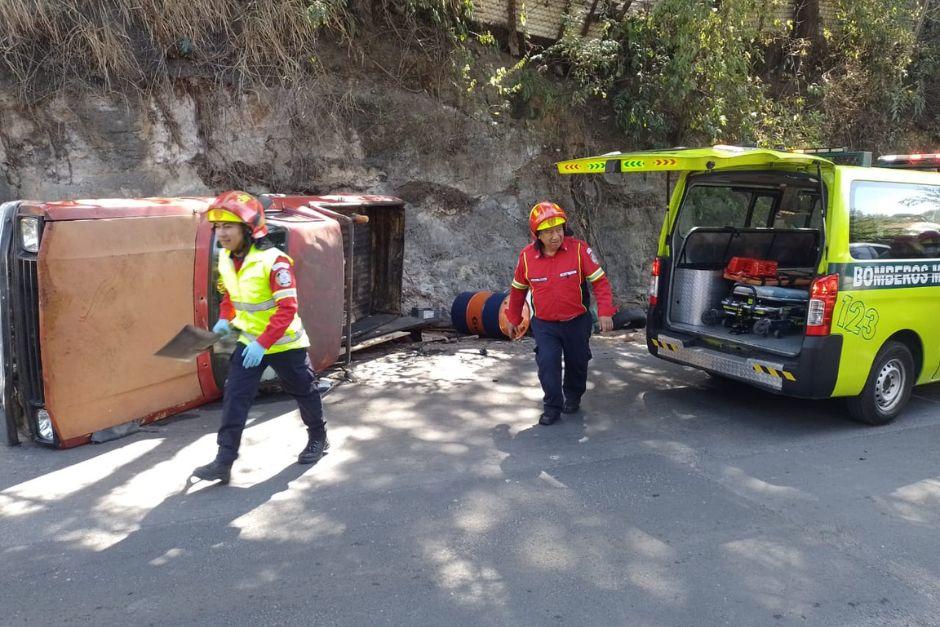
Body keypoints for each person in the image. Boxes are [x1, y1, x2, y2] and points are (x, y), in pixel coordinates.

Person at [193, 191, 328, 484]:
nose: (221, 233)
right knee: (235, 397)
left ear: (248, 228)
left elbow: (287, 308)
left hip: (285, 343)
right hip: (249, 341)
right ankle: (223, 460)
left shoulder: (275, 261)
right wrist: (224, 322)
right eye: (217, 227)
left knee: (304, 391)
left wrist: (262, 344)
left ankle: (319, 437)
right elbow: (229, 294)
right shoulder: (228, 259)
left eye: (227, 226)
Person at [505, 201, 615, 426]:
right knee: (547, 363)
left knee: (578, 362)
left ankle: (573, 396)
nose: (555, 236)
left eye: (559, 230)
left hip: (576, 322)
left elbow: (600, 283)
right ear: (537, 234)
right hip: (545, 325)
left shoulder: (579, 250)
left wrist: (605, 312)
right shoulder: (526, 258)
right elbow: (518, 290)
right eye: (548, 232)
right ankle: (552, 406)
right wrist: (513, 319)